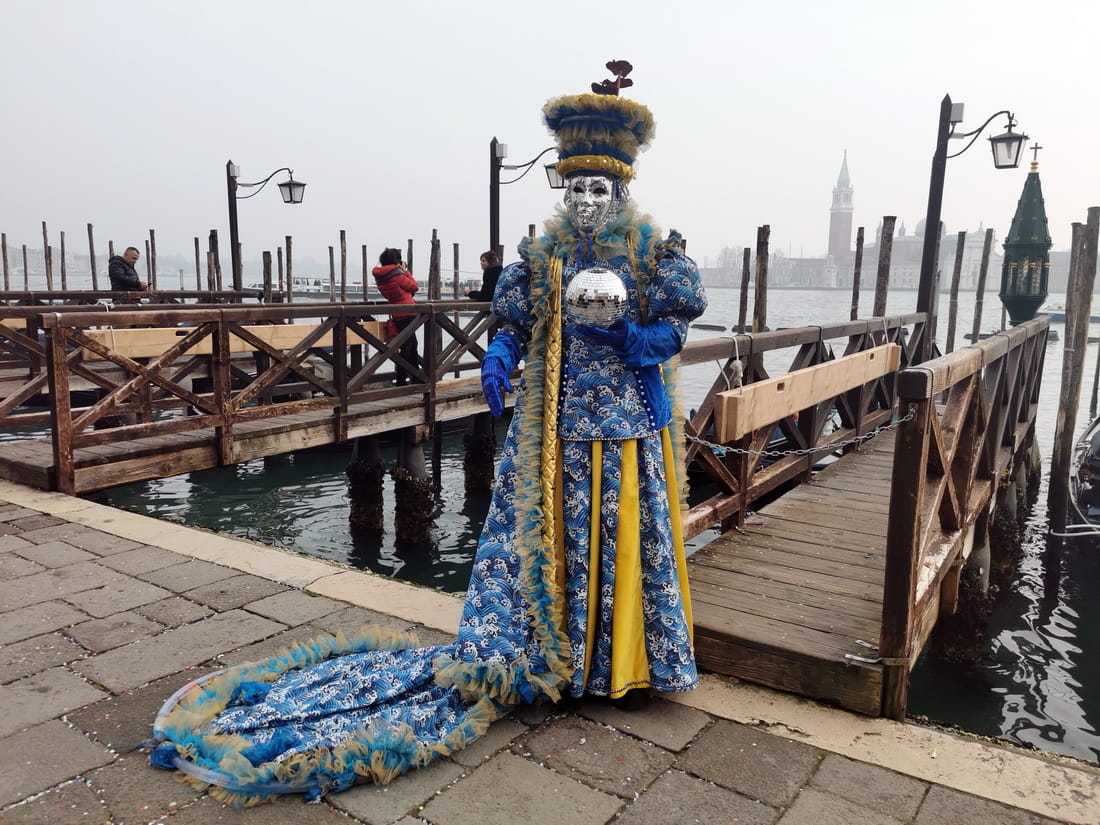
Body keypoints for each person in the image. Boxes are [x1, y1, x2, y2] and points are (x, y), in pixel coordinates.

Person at [148, 66, 705, 803]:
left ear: (622, 191)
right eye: (574, 188)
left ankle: (620, 667)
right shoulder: (542, 259)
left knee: (615, 540)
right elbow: (512, 323)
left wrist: (629, 331)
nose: (584, 201)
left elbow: (671, 333)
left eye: (598, 189)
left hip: (625, 437)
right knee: (546, 549)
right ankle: (551, 659)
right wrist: (501, 358)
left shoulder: (653, 258)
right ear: (562, 191)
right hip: (549, 437)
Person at [371, 248, 421, 385]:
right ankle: (404, 379)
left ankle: (413, 378)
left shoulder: (381, 277)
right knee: (408, 347)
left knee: (408, 346)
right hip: (408, 312)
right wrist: (406, 271)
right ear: (396, 261)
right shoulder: (398, 275)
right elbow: (414, 287)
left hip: (397, 314)